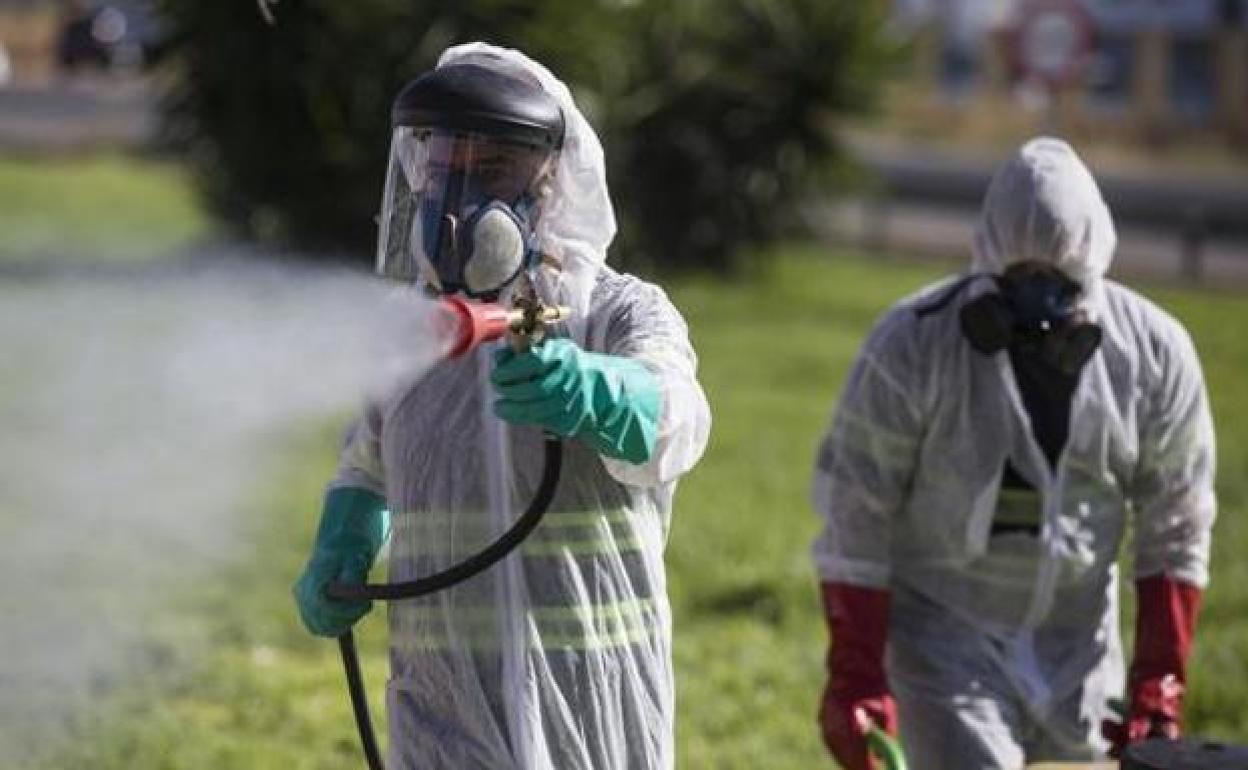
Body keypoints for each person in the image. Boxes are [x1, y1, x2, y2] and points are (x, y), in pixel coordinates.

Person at [292, 43, 711, 769]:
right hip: (442, 708)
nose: (455, 203)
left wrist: (597, 392)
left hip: (591, 703)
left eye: (490, 171)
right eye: (443, 169)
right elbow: (368, 459)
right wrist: (346, 533)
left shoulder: (616, 314)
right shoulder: (409, 335)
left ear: (551, 184)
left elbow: (679, 418)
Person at [810, 137, 1216, 769]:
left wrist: (1157, 683)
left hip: (1081, 647)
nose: (1039, 307)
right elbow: (855, 514)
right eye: (1018, 281)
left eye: (1060, 283)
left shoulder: (1155, 355)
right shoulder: (912, 347)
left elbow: (1177, 524)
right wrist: (855, 673)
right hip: (947, 640)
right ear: (987, 264)